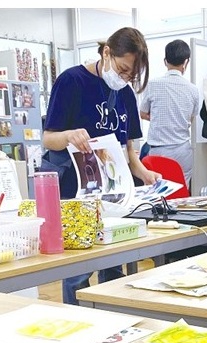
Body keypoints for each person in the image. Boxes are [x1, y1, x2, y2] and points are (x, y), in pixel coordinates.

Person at [41, 27, 161, 305]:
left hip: (112, 194)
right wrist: (69, 136)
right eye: (122, 70)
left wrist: (145, 174)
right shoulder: (72, 81)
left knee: (114, 264)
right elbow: (48, 138)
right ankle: (77, 318)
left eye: (131, 76)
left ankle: (113, 317)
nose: (124, 79)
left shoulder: (125, 93)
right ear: (107, 52)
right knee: (78, 270)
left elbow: (128, 151)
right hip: (76, 191)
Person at [139, 39, 200, 189]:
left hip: (158, 151)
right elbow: (191, 118)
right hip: (182, 150)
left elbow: (142, 113)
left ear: (165, 61)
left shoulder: (153, 84)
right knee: (182, 191)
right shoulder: (193, 89)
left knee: (158, 192)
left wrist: (158, 118)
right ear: (186, 62)